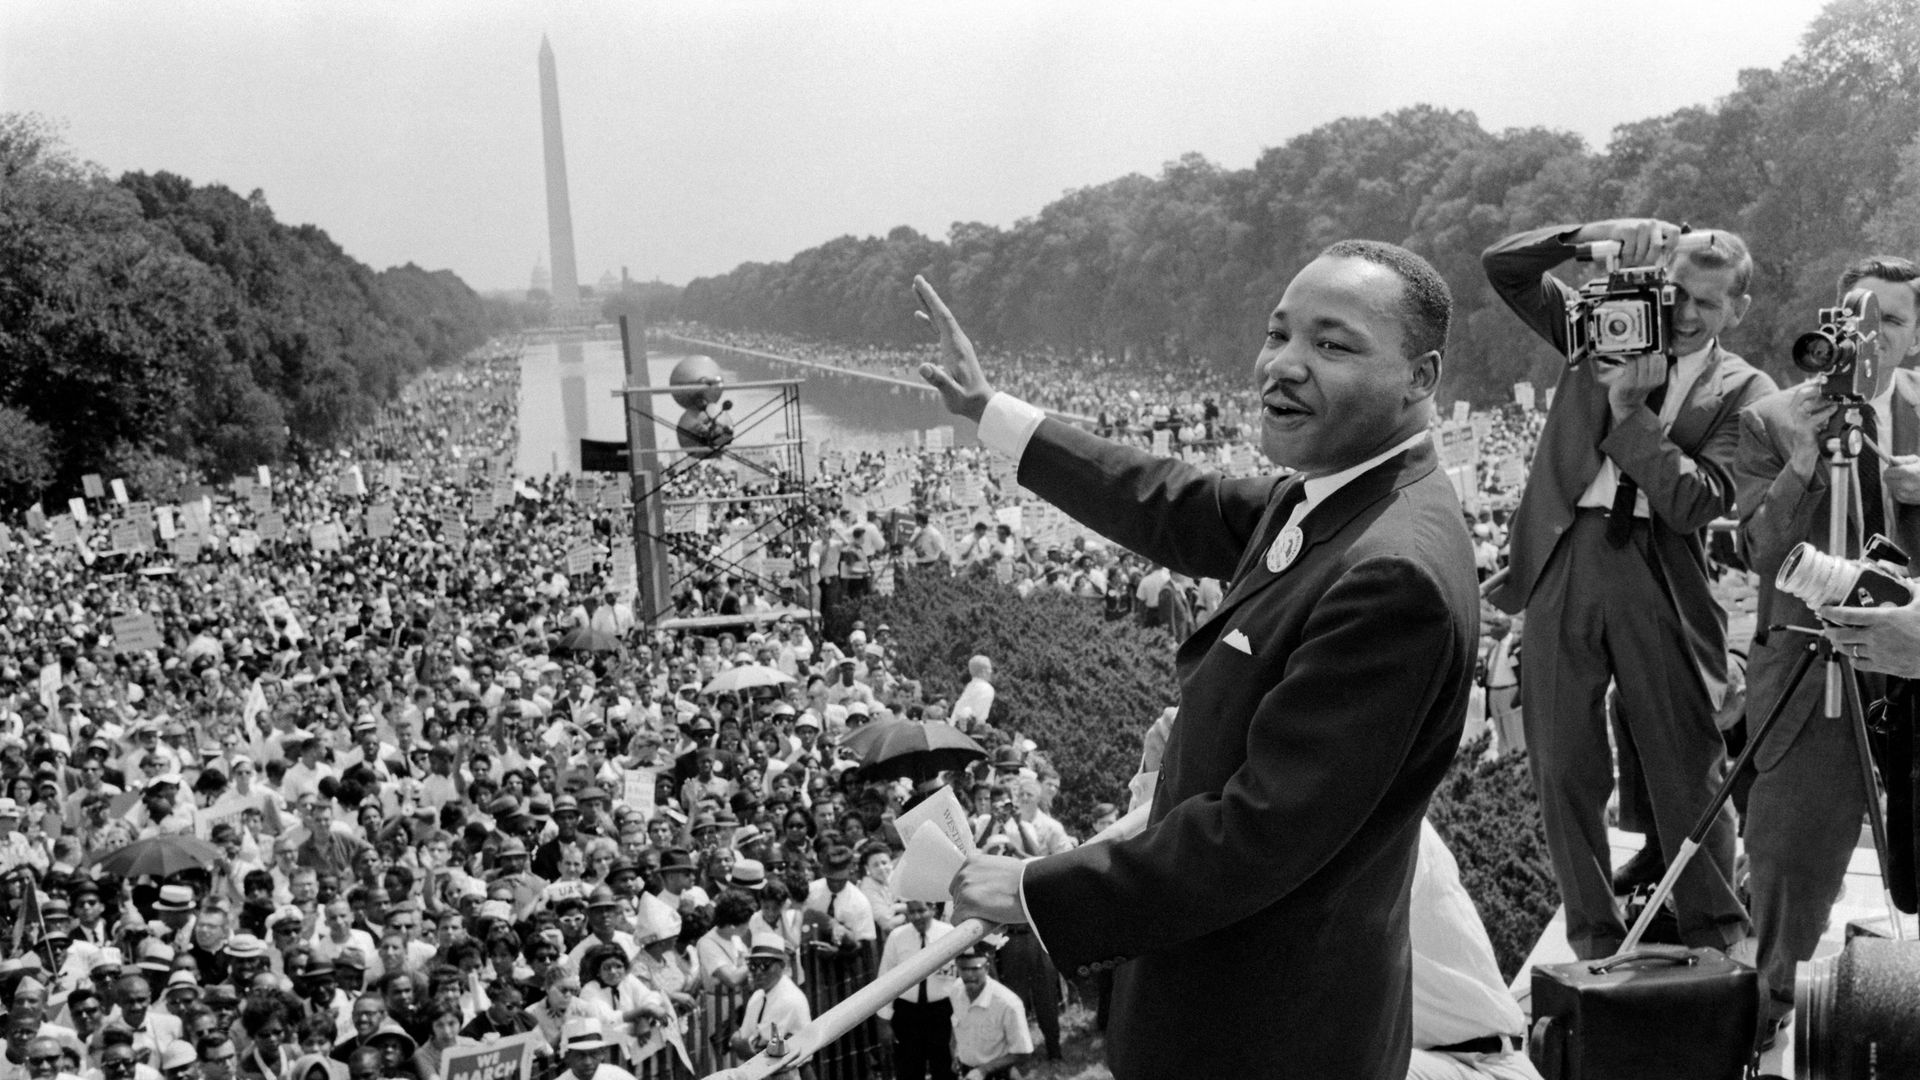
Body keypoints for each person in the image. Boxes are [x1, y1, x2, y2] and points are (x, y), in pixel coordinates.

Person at [924, 239, 1479, 1078]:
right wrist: (990, 411)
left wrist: (1038, 890)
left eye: (1332, 345)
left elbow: (1261, 834)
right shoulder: (1335, 493)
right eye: (1278, 333)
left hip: (1268, 1031)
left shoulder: (1392, 570)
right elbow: (1171, 502)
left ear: (1421, 377)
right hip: (1236, 1000)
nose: (1284, 365)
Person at [1482, 217, 1771, 959]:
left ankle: (1715, 933)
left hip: (1661, 567)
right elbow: (1506, 268)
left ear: (1738, 310)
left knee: (1686, 763)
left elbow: (1698, 502)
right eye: (1675, 292)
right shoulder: (1601, 326)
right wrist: (1591, 234)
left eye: (1707, 304)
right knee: (1561, 763)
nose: (1683, 314)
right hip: (1563, 556)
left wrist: (1628, 415)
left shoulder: (1747, 390)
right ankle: (1594, 940)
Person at [1735, 255, 1920, 1035]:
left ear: (1915, 333)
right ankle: (1770, 1010)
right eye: (1857, 312)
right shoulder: (1773, 418)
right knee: (1789, 857)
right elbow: (1759, 551)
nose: (1871, 332)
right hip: (1809, 666)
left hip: (1912, 662)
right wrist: (1805, 461)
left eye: (1893, 318)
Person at [875, 900, 958, 1080]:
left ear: (933, 909)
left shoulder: (950, 934)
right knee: (909, 1069)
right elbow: (885, 979)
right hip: (907, 1013)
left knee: (944, 1068)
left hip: (942, 1012)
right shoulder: (897, 937)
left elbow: (960, 977)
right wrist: (884, 1021)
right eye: (911, 912)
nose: (916, 916)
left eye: (921, 910)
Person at [730, 933, 809, 1078]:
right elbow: (745, 1039)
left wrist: (741, 1043)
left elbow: (756, 1051)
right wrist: (742, 1043)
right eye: (753, 966)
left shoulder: (789, 999)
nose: (758, 972)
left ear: (782, 965)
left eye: (765, 965)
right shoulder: (758, 996)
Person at [946, 949, 1029, 1080]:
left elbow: (1022, 1052)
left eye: (975, 968)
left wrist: (983, 1071)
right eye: (963, 969)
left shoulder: (1008, 1003)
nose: (969, 975)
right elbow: (958, 1024)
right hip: (966, 1073)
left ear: (987, 968)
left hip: (999, 1074)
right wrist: (955, 1053)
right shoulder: (956, 990)